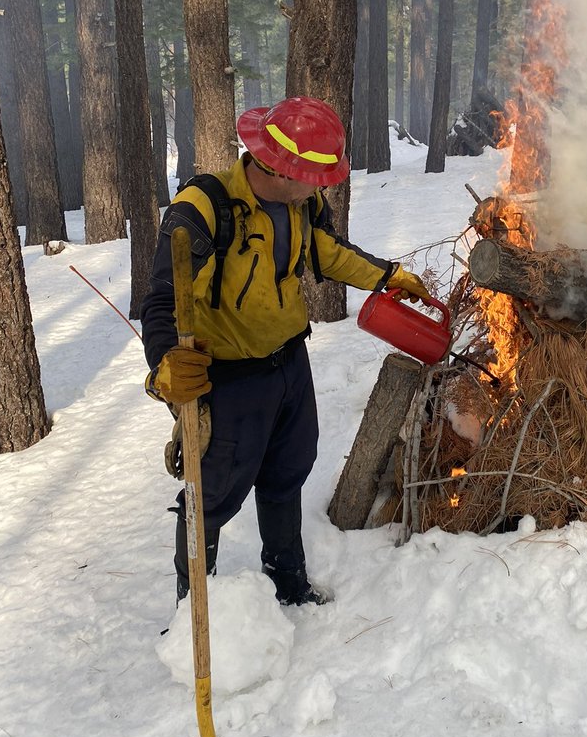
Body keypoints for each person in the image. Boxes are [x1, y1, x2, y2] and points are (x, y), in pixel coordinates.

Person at [141, 96, 431, 606]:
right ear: (277, 167)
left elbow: (328, 252)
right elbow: (163, 300)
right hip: (228, 381)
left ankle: (288, 583)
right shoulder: (203, 211)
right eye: (315, 178)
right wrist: (164, 366)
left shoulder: (301, 205)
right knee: (209, 496)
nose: (322, 188)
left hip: (288, 368)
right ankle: (196, 611)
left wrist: (388, 276)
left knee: (285, 475)